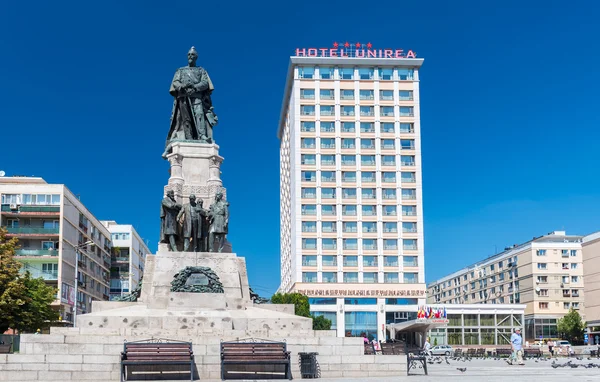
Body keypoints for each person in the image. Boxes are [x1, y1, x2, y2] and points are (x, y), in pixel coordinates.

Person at [163, 46, 218, 158]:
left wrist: (194, 87)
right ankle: (187, 136)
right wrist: (182, 86)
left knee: (199, 115)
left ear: (196, 57)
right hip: (183, 98)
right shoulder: (180, 70)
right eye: (189, 55)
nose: (190, 57)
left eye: (192, 55)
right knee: (185, 119)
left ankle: (202, 135)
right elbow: (175, 83)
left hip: (197, 97)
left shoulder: (201, 70)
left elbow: (205, 83)